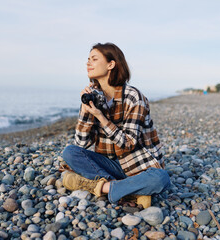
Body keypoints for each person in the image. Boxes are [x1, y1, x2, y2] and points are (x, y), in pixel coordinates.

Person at [61, 43, 171, 208]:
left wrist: (101, 117)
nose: (88, 63)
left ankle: (99, 186)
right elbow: (81, 144)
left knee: (161, 179)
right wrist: (85, 111)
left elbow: (128, 143)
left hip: (138, 166)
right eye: (88, 59)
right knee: (70, 152)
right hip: (109, 164)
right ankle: (130, 191)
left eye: (94, 59)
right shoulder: (93, 96)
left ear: (111, 64)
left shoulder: (134, 97)